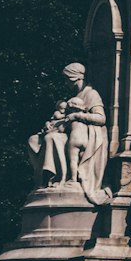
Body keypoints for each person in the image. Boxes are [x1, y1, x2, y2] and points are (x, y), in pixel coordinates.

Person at [28, 62, 110, 205]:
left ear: (74, 77)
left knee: (51, 138)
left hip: (86, 135)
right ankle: (43, 181)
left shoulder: (91, 94)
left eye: (66, 79)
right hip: (69, 131)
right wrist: (52, 123)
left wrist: (78, 116)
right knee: (34, 140)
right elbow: (64, 118)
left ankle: (59, 179)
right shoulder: (75, 95)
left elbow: (101, 118)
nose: (65, 83)